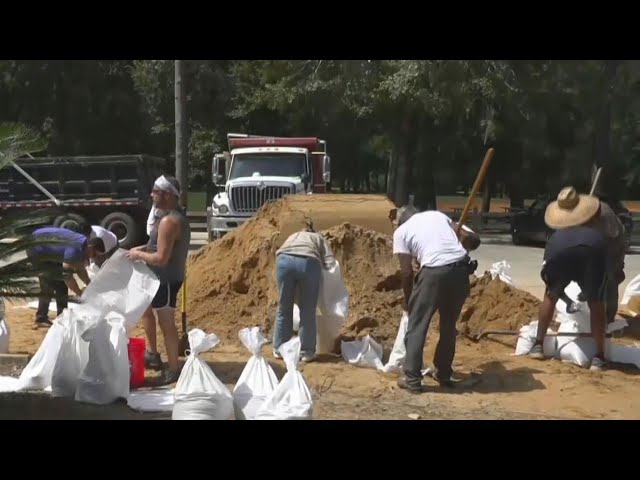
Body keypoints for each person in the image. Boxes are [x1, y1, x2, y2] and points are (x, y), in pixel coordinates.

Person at [392, 206, 481, 392]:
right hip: (461, 271)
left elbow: (407, 273)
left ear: (400, 221)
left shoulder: (401, 232)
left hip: (434, 272)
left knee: (417, 325)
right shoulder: (437, 215)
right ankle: (443, 372)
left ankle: (412, 379)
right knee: (448, 326)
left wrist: (409, 302)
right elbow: (469, 237)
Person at [529, 186, 609, 371]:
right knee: (597, 303)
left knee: (549, 296)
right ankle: (599, 357)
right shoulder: (595, 234)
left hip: (559, 250)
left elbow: (546, 275)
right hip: (592, 249)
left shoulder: (555, 237)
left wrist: (557, 290)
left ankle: (538, 344)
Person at [127, 175, 191, 384]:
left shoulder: (169, 222)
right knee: (148, 311)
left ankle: (173, 369)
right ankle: (153, 355)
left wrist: (139, 256)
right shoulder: (172, 217)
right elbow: (158, 247)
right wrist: (143, 248)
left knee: (167, 324)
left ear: (166, 194)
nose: (151, 194)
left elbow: (161, 258)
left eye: (155, 191)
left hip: (165, 279)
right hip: (162, 278)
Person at [273, 219, 336, 362]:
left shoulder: (293, 236)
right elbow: (330, 262)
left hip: (283, 260)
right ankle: (306, 352)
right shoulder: (318, 238)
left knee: (284, 307)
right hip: (308, 262)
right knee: (307, 310)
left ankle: (278, 348)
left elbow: (282, 251)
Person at [27, 226, 96, 327]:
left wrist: (90, 285)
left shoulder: (82, 244)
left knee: (54, 285)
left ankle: (54, 317)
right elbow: (67, 276)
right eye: (93, 254)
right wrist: (81, 294)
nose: (92, 257)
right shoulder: (75, 248)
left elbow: (80, 268)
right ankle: (51, 319)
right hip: (37, 249)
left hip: (47, 249)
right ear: (90, 248)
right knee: (54, 285)